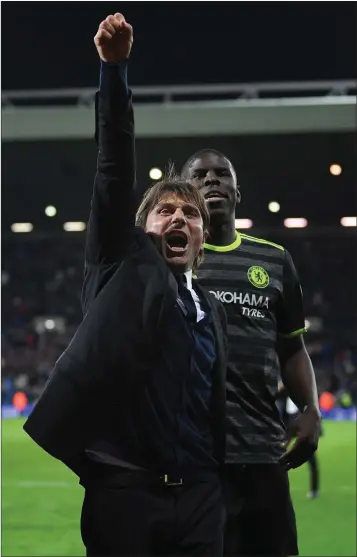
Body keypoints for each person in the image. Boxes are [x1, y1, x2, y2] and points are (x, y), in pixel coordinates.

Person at [24, 15, 228, 557]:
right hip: (125, 497)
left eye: (191, 213)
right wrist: (114, 72)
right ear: (141, 229)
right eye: (166, 210)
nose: (180, 218)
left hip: (201, 497)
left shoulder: (209, 308)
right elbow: (113, 170)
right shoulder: (121, 264)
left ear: (204, 237)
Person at [181, 148, 322, 556]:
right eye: (200, 175)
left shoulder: (274, 261)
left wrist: (310, 408)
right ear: (184, 192)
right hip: (197, 463)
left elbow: (292, 348)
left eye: (222, 174)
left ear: (237, 192)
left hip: (264, 457)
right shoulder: (168, 264)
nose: (212, 180)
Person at [277, 380, 321, 499]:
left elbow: (312, 408)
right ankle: (276, 486)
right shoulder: (285, 392)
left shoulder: (304, 392)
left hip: (302, 426)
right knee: (278, 454)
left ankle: (314, 489)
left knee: (310, 456)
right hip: (289, 427)